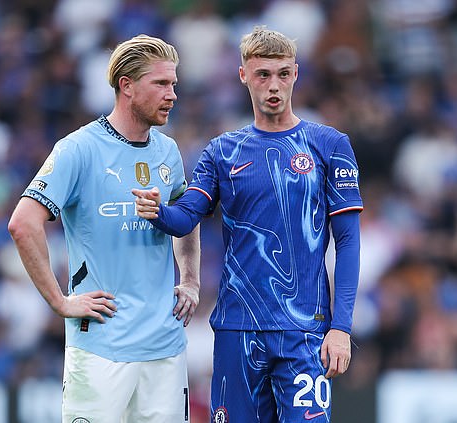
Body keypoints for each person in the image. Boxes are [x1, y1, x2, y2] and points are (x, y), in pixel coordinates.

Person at [132, 26, 363, 422]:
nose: (274, 86)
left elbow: (348, 242)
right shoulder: (222, 151)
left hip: (305, 331)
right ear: (243, 75)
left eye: (283, 74)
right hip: (238, 329)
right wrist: (158, 210)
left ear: (296, 74)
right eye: (262, 75)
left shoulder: (330, 145)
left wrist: (341, 327)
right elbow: (187, 215)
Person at [8, 34, 200, 423]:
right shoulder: (78, 149)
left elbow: (188, 216)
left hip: (165, 347)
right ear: (126, 86)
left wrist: (191, 278)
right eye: (161, 84)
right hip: (101, 346)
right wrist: (60, 302)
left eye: (174, 84)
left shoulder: (168, 151)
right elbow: (23, 224)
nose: (172, 94)